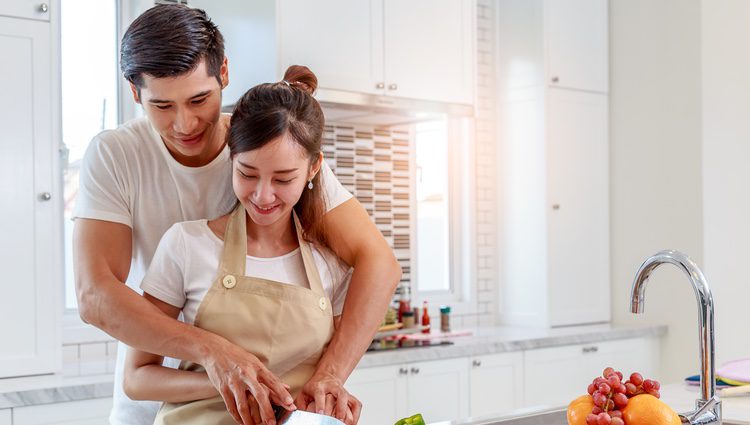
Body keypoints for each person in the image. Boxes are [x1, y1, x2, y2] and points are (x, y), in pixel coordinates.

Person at [72, 4, 401, 425]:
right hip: (158, 403)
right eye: (162, 106)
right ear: (135, 93)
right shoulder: (116, 155)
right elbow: (95, 295)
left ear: (223, 73)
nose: (185, 123)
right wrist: (213, 353)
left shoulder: (267, 146)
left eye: (199, 99)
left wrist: (330, 376)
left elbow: (379, 262)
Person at [124, 65, 354, 425]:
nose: (263, 196)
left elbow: (327, 377)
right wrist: (226, 378)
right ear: (231, 158)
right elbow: (137, 378)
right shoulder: (187, 245)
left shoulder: (331, 262)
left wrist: (332, 399)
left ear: (313, 169)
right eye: (247, 174)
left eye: (283, 179)